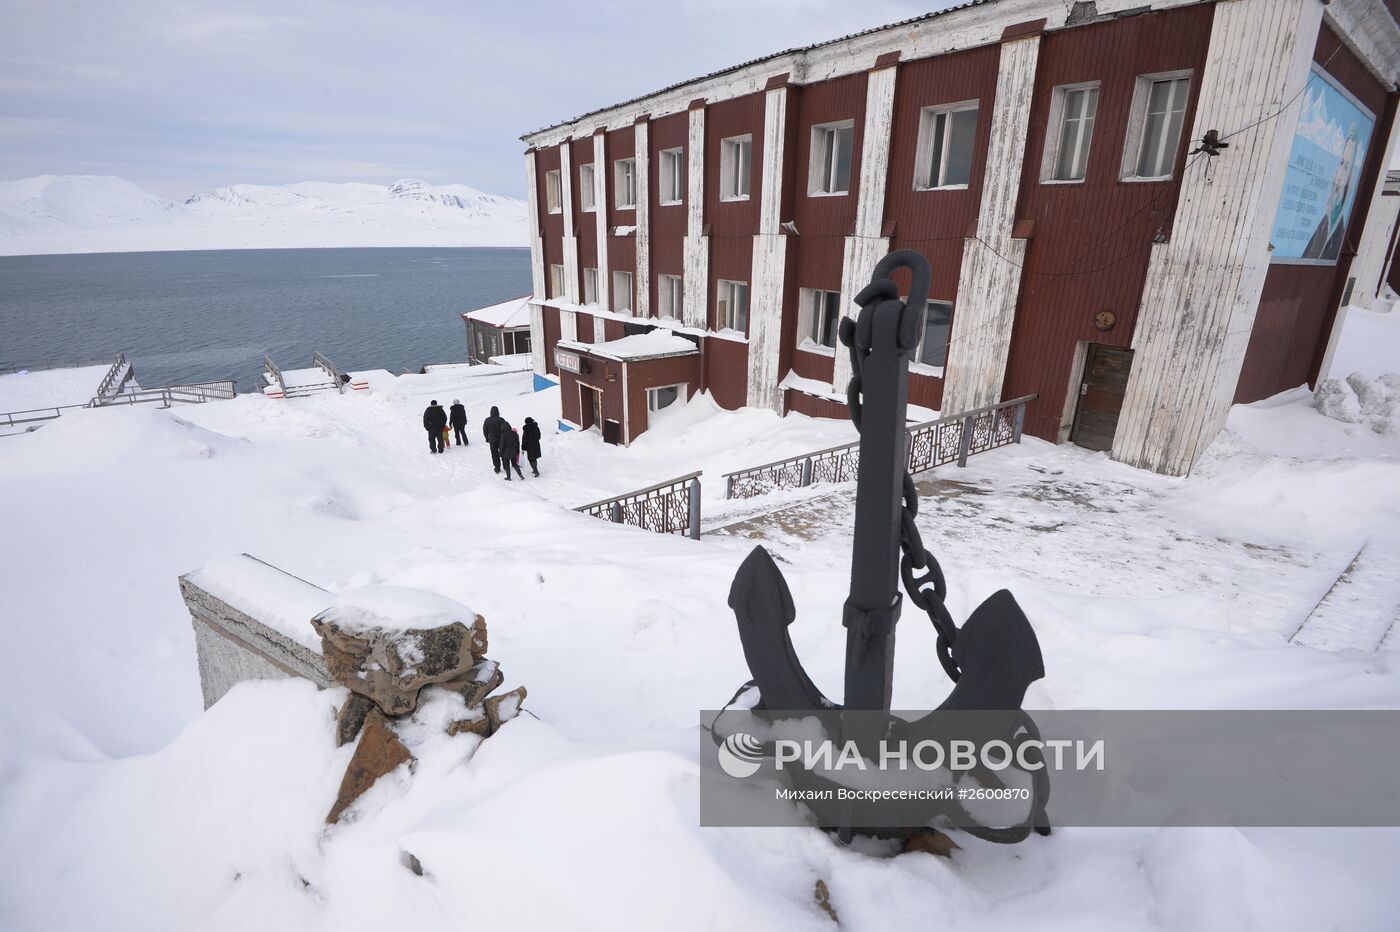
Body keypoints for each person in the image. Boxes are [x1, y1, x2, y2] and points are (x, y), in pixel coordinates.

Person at [482, 405, 505, 473]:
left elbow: (485, 430)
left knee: (494, 454)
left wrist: (486, 438)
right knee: (503, 452)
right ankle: (505, 466)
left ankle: (497, 468)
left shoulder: (487, 420)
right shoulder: (501, 419)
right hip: (501, 439)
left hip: (492, 439)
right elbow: (505, 429)